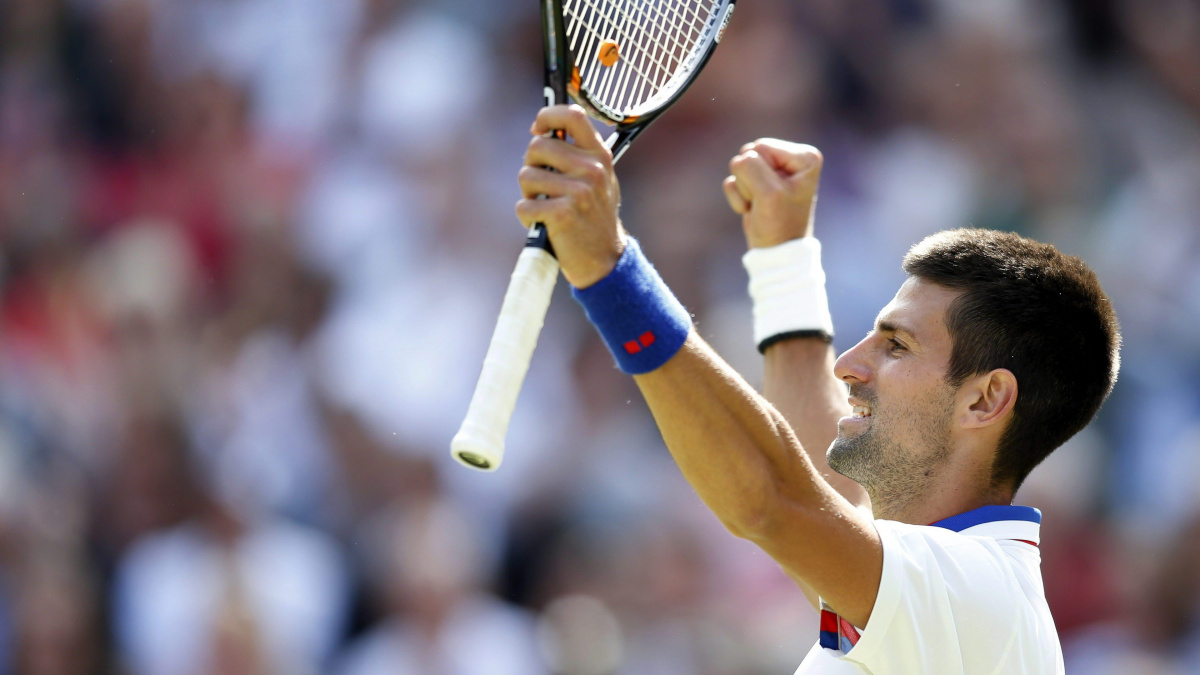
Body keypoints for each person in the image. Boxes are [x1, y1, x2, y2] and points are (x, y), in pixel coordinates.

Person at [514, 106, 1120, 674]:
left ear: (985, 400)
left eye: (897, 346)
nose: (849, 364)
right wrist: (783, 255)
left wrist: (609, 270)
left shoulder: (977, 593)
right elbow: (820, 489)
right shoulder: (933, 587)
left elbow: (773, 498)